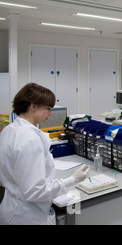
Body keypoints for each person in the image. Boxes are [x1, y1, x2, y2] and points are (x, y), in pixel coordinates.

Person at [0, 83, 89, 225]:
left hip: (12, 207)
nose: (50, 113)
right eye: (47, 108)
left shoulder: (10, 130)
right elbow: (35, 191)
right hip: (27, 216)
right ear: (33, 106)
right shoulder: (29, 139)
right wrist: (72, 180)